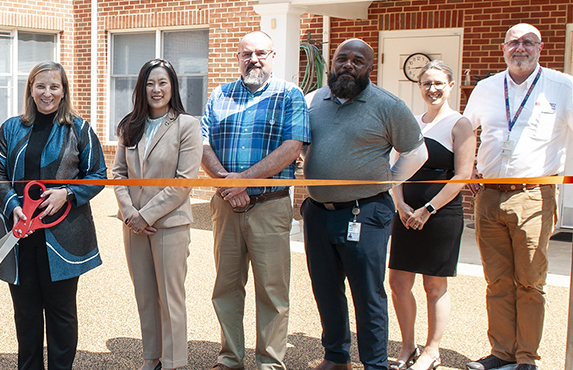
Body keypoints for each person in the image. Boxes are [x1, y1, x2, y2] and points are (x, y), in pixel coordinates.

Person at [462, 23, 573, 370]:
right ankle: (501, 353)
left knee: (530, 281)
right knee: (497, 281)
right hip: (487, 196)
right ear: (503, 48)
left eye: (528, 42)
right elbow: (464, 129)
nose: (521, 48)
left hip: (534, 196)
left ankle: (526, 358)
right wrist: (467, 167)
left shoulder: (563, 87)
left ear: (540, 48)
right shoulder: (486, 88)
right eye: (514, 42)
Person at [302, 39, 426, 370]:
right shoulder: (312, 101)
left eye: (358, 61)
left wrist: (385, 181)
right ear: (331, 62)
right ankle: (336, 356)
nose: (348, 65)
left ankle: (374, 363)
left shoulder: (389, 106)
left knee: (368, 295)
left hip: (365, 213)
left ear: (369, 68)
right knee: (326, 290)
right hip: (317, 214)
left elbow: (417, 152)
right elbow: (299, 145)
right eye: (342, 58)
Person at [200, 31, 311, 370]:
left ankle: (269, 362)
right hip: (225, 205)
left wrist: (243, 181)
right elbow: (202, 143)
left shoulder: (290, 95)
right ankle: (230, 358)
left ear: (273, 56)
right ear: (238, 58)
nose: (254, 59)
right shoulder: (219, 95)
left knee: (272, 292)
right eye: (246, 54)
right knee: (226, 287)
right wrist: (226, 183)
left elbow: (293, 148)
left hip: (270, 206)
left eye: (261, 53)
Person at [0, 61, 107, 370]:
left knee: (61, 314)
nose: (47, 92)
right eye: (40, 86)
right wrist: (13, 205)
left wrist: (67, 192)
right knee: (25, 315)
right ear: (30, 89)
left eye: (54, 86)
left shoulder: (79, 129)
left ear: (64, 90)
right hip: (19, 233)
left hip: (62, 237)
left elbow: (97, 175)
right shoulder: (11, 127)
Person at [113, 59, 202, 370]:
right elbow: (119, 174)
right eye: (150, 83)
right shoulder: (129, 125)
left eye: (163, 82)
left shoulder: (187, 125)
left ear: (172, 87)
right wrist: (129, 214)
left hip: (169, 225)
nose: (157, 89)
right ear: (141, 87)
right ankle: (152, 358)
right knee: (146, 296)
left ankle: (175, 362)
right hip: (133, 226)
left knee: (170, 297)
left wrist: (146, 215)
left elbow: (184, 182)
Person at [386, 60, 475, 370]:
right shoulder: (409, 121)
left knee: (434, 286)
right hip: (406, 213)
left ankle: (432, 350)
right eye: (427, 83)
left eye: (439, 83)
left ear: (450, 86)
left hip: (440, 215)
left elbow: (462, 176)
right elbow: (394, 169)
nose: (432, 89)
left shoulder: (459, 124)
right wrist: (400, 204)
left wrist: (428, 209)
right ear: (419, 87)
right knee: (398, 282)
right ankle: (408, 346)